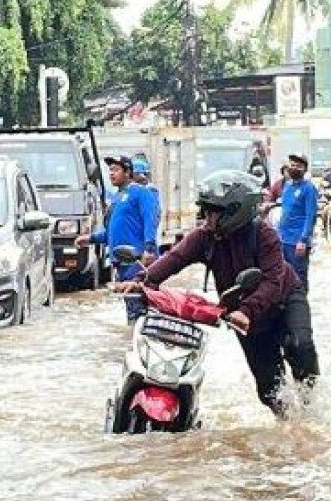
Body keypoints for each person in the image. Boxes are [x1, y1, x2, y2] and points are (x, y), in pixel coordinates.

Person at [120, 171, 319, 418]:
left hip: (283, 300)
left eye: (213, 211)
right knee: (268, 389)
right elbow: (175, 258)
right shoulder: (204, 237)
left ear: (236, 210)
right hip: (243, 314)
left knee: (300, 345)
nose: (207, 218)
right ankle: (289, 422)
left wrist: (246, 311)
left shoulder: (264, 235)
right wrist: (141, 281)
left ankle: (311, 403)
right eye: (205, 211)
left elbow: (273, 281)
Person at [74, 156, 160, 321]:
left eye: (116, 170)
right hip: (121, 262)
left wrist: (149, 249)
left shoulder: (141, 193)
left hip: (137, 261)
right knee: (131, 308)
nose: (111, 174)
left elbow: (151, 221)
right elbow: (111, 233)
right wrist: (90, 238)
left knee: (138, 307)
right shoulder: (117, 198)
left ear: (128, 172)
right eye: (110, 170)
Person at [277, 154, 318, 291]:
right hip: (283, 238)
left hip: (298, 241)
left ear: (305, 169)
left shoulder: (309, 188)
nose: (294, 168)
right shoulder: (287, 186)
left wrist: (303, 240)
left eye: (298, 166)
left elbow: (310, 216)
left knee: (298, 276)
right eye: (292, 165)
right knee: (283, 274)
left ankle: (301, 303)